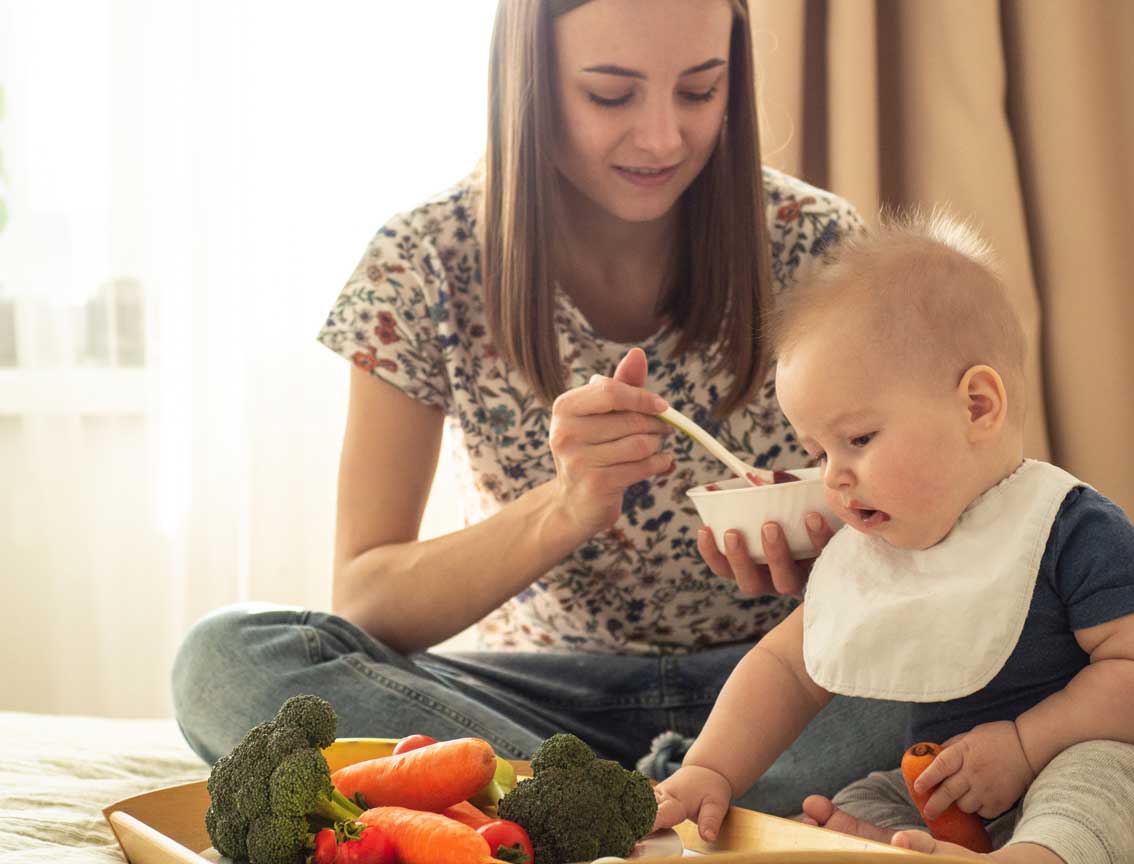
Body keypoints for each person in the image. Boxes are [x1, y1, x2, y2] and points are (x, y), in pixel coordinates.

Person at [169, 0, 907, 815]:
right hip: (537, 704)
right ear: (529, 82)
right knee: (228, 660)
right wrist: (564, 508)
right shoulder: (424, 259)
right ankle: (642, 806)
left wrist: (843, 554)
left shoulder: (817, 243)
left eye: (699, 92)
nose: (663, 138)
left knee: (990, 659)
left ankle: (588, 812)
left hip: (790, 687)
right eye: (611, 95)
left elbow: (937, 540)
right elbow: (370, 601)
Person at [651, 212, 1134, 862]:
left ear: (977, 406)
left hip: (1132, 762)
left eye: (859, 440)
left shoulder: (1070, 527)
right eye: (817, 452)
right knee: (866, 796)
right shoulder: (875, 549)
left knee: (1096, 779)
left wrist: (1025, 745)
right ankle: (898, 846)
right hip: (968, 791)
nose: (834, 478)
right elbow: (786, 669)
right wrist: (710, 769)